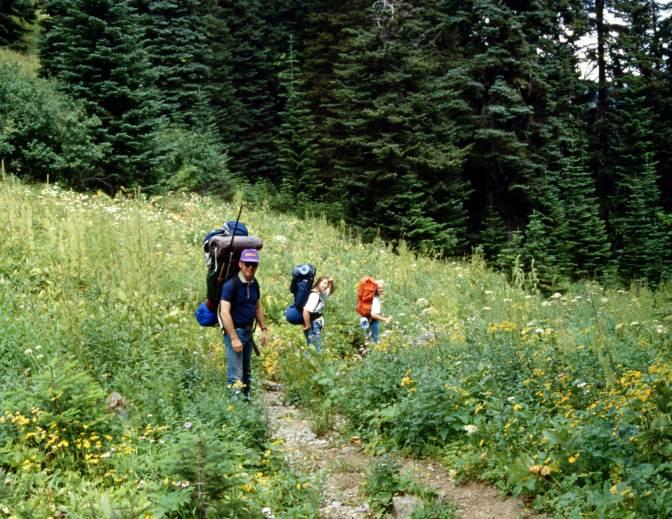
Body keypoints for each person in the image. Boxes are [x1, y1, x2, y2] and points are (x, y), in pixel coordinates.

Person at [219, 248, 268, 397]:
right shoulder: (231, 285)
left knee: (246, 373)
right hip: (236, 333)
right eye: (247, 264)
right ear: (240, 264)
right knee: (236, 375)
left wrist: (264, 329)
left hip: (248, 333)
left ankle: (245, 405)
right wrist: (234, 338)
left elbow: (257, 306)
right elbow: (224, 312)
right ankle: (235, 413)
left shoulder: (254, 283)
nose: (250, 268)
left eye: (254, 265)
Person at [302, 275, 334, 352]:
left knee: (313, 347)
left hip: (316, 324)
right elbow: (306, 311)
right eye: (324, 283)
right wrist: (308, 325)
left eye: (327, 284)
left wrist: (331, 282)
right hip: (313, 325)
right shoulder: (314, 295)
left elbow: (330, 291)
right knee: (316, 349)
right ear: (318, 282)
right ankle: (308, 362)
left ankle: (308, 362)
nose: (326, 286)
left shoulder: (320, 293)